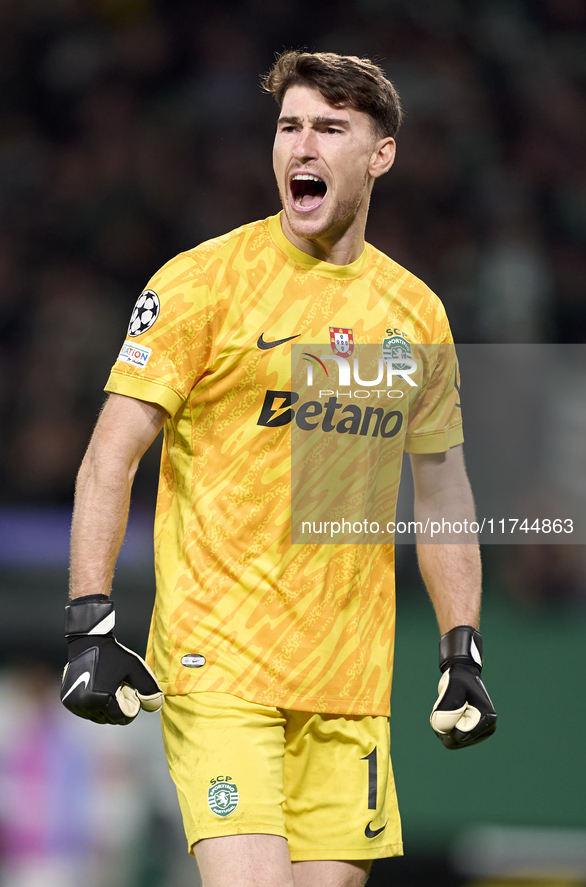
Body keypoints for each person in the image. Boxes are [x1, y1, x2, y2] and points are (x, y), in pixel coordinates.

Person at [60, 50, 496, 887]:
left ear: (380, 154)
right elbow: (108, 456)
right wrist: (90, 617)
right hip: (218, 665)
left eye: (330, 128)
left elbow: (442, 488)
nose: (303, 146)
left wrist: (461, 650)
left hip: (348, 680)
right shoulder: (203, 283)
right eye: (290, 125)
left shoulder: (413, 312)